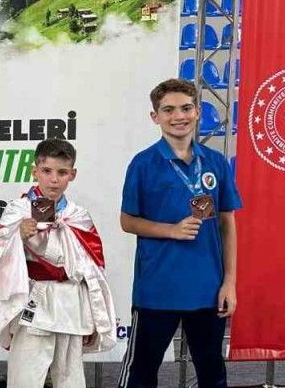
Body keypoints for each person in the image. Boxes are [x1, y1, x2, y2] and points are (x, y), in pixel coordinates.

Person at [117, 79, 241, 388]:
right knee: (141, 374)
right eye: (168, 110)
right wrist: (171, 230)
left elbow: (227, 223)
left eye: (186, 108)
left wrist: (229, 282)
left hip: (208, 289)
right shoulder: (142, 164)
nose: (178, 116)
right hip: (157, 290)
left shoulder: (215, 162)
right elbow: (127, 221)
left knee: (213, 374)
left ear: (198, 111)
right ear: (155, 117)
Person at [0, 139, 116, 388]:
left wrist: (93, 307)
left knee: (70, 376)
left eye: (62, 172)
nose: (54, 180)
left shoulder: (78, 215)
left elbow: (93, 265)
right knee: (26, 375)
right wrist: (18, 235)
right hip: (35, 301)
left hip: (71, 303)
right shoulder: (19, 210)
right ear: (34, 171)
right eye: (46, 171)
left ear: (72, 174)